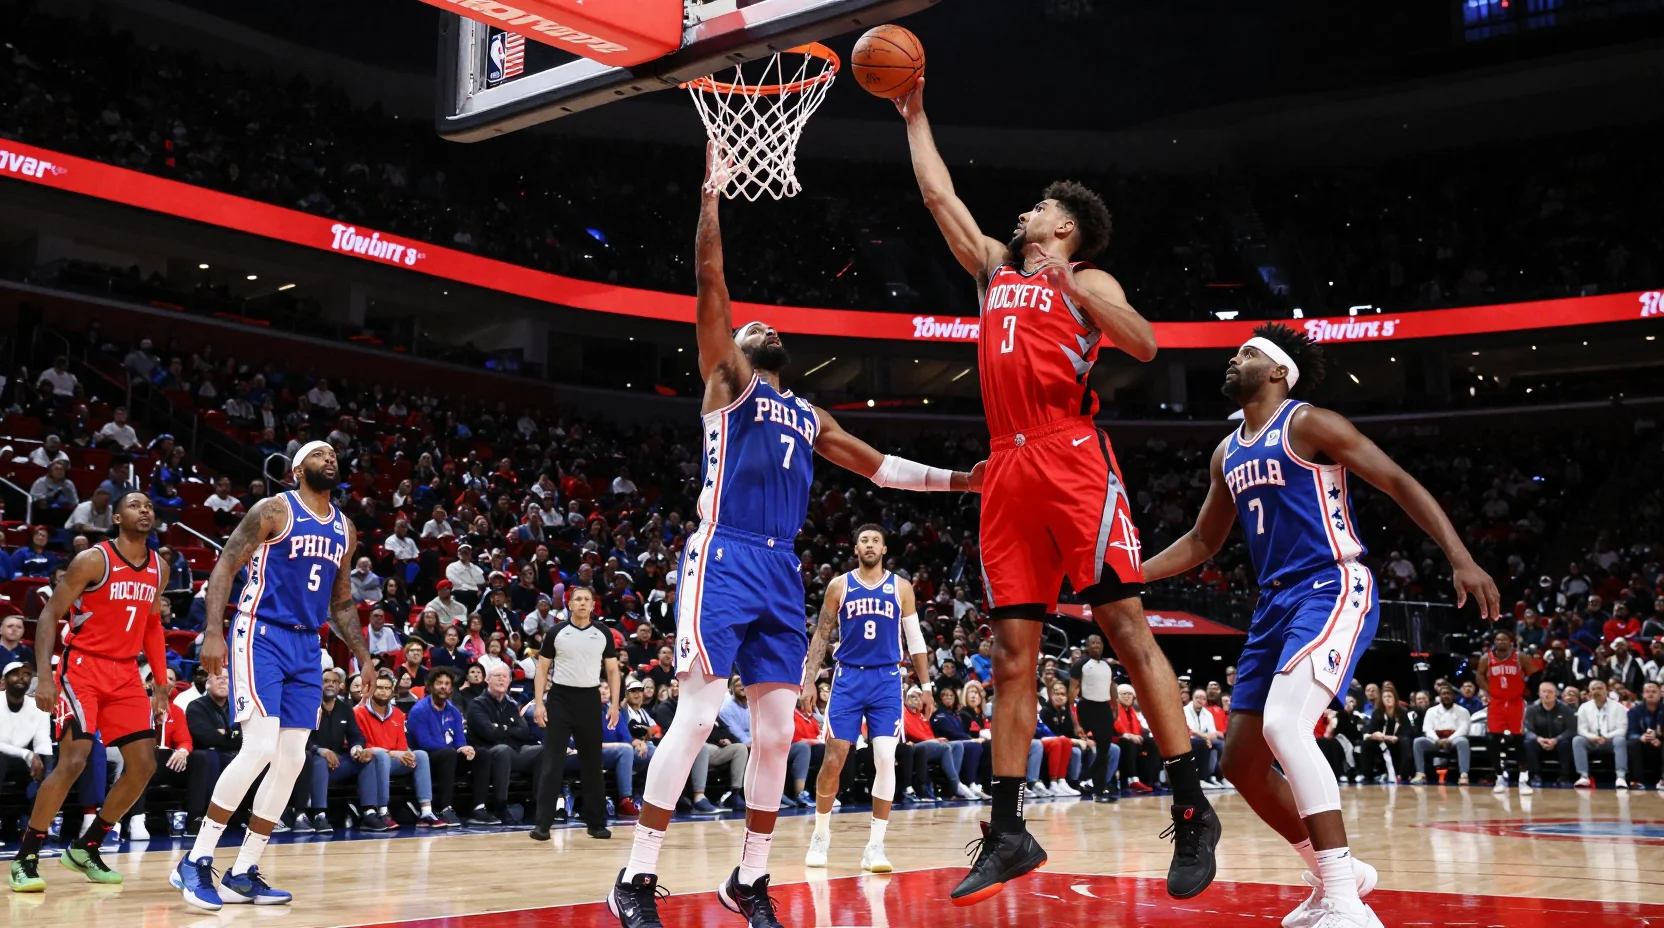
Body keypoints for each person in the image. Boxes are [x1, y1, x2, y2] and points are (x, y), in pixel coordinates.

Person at [607, 146, 977, 928]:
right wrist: (710, 197)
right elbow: (712, 285)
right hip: (725, 554)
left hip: (780, 567)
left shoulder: (808, 417)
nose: (759, 321)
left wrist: (957, 481)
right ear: (734, 352)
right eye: (748, 326)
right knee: (700, 716)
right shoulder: (728, 386)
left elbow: (877, 467)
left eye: (764, 325)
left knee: (778, 733)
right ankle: (636, 877)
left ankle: (749, 879)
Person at [895, 81, 1215, 907]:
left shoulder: (1090, 279)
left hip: (1072, 457)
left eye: (1037, 206)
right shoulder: (995, 271)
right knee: (1012, 657)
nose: (1024, 213)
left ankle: (1190, 807)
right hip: (1006, 466)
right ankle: (1009, 831)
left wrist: (1078, 289)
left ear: (1062, 228)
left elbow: (1145, 345)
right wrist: (914, 113)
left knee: (1125, 626)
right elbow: (939, 196)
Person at [1143, 324, 1499, 928]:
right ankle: (1337, 874)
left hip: (1331, 584)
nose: (1235, 359)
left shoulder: (1309, 423)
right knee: (1241, 763)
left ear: (1279, 372)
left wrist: (1460, 557)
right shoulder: (1227, 451)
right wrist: (1130, 575)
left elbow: (1398, 481)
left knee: (1285, 724)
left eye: (1248, 352)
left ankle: (1346, 901)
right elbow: (1205, 539)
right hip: (1272, 605)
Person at [174, 442, 374, 910]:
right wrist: (212, 631)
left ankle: (244, 869)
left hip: (308, 644)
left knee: (291, 759)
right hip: (260, 632)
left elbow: (341, 601)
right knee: (260, 747)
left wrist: (361, 655)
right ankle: (197, 858)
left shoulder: (345, 528)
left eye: (334, 454)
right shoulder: (274, 510)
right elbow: (225, 564)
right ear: (298, 468)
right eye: (320, 453)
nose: (331, 458)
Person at [13, 492, 171, 893]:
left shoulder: (159, 568)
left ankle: (87, 846)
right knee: (75, 760)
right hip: (82, 667)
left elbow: (152, 626)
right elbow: (50, 615)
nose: (145, 511)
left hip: (125, 674)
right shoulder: (93, 560)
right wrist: (47, 677)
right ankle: (27, 856)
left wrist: (161, 685)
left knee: (143, 765)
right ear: (117, 517)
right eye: (136, 505)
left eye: (149, 506)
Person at [802, 524, 937, 874]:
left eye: (876, 540)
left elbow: (916, 641)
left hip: (887, 679)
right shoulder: (839, 585)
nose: (870, 545)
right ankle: (821, 834)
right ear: (856, 548)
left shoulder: (901, 588)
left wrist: (927, 687)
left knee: (884, 756)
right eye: (864, 540)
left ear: (885, 548)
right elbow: (822, 634)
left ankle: (875, 846)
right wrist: (810, 680)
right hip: (848, 677)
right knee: (835, 757)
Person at [531, 586, 620, 839]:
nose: (582, 603)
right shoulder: (557, 632)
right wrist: (539, 703)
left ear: (593, 605)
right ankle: (543, 825)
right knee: (552, 763)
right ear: (569, 605)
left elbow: (613, 671)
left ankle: (596, 823)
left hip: (590, 699)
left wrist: (614, 704)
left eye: (586, 600)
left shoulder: (603, 632)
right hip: (560, 698)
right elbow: (542, 669)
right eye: (577, 599)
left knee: (593, 764)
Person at [354, 673, 436, 828]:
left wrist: (407, 753)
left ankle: (426, 811)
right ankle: (383, 811)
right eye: (379, 688)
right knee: (381, 757)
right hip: (372, 762)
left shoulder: (398, 714)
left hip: (393, 762)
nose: (383, 691)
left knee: (421, 755)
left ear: (392, 692)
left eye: (387, 688)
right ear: (371, 690)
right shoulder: (359, 713)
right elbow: (366, 749)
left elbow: (402, 746)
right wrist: (393, 753)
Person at [465, 665, 544, 820]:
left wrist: (501, 728)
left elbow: (524, 731)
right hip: (488, 753)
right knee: (503, 750)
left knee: (542, 750)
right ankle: (499, 804)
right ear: (487, 679)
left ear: (509, 682)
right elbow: (488, 733)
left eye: (505, 677)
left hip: (514, 751)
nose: (502, 679)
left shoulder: (512, 704)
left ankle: (536, 804)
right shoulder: (477, 704)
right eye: (497, 676)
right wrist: (510, 730)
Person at [1477, 629, 1542, 794]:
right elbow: (1479, 676)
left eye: (1504, 639)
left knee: (1518, 740)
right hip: (1496, 703)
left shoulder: (1520, 657)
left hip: (1515, 703)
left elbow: (1535, 674)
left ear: (1510, 642)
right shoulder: (1486, 658)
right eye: (1498, 639)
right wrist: (1489, 691)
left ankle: (1523, 779)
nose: (1501, 642)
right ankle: (1499, 777)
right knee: (1493, 741)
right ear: (1494, 642)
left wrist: (1527, 689)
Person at [403, 666, 468, 827]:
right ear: (431, 686)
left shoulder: (453, 711)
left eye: (447, 684)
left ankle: (479, 808)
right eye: (440, 683)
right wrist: (454, 749)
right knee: (449, 754)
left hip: (447, 755)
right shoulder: (419, 710)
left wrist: (465, 748)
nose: (444, 687)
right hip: (424, 758)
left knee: (481, 755)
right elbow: (425, 742)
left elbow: (460, 739)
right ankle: (445, 809)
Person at [1069, 635, 1120, 801]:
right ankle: (1085, 780)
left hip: (1104, 708)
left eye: (1099, 643)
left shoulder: (1108, 666)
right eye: (1093, 643)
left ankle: (1098, 790)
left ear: (1103, 645)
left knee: (1104, 750)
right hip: (1086, 707)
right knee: (1090, 747)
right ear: (1088, 646)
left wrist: (1115, 707)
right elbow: (1072, 692)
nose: (1096, 645)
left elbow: (1112, 687)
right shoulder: (1080, 665)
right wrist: (1075, 721)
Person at [0, 661, 51, 806]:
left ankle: (38, 822)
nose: (21, 678)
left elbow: (42, 738)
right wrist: (27, 754)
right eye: (15, 674)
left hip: (22, 761)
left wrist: (43, 760)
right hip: (7, 757)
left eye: (26, 674)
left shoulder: (38, 706)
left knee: (48, 760)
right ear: (3, 681)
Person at [1573, 679, 1629, 789]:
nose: (1596, 691)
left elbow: (1622, 729)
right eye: (1593, 689)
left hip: (1610, 741)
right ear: (1590, 692)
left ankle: (1621, 777)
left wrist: (1606, 737)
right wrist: (1593, 737)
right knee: (1577, 740)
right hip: (1592, 741)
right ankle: (1583, 776)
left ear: (1606, 691)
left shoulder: (1619, 707)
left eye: (1600, 688)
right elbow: (1581, 729)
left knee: (1620, 740)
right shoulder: (1584, 707)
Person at [1412, 685, 1473, 785]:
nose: (1446, 696)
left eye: (1448, 694)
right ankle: (1420, 774)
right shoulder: (1431, 711)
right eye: (1443, 694)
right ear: (1439, 696)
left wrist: (1450, 739)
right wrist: (1437, 740)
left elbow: (1464, 729)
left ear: (1453, 696)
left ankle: (1464, 775)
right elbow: (1427, 729)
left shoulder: (1463, 711)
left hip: (1454, 740)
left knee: (1463, 741)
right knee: (1418, 742)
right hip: (1435, 740)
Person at [1522, 681, 1576, 788]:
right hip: (1539, 741)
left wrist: (1556, 739)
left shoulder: (1564, 708)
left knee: (1567, 743)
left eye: (1550, 692)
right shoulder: (1531, 709)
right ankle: (1535, 776)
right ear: (1539, 693)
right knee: (1528, 743)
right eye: (1544, 691)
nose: (1547, 694)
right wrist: (1538, 739)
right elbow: (1527, 729)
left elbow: (1572, 729)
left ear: (1555, 693)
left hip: (1559, 741)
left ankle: (1564, 776)